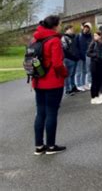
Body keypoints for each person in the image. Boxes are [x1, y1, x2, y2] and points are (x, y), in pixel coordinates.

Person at [32, 15, 68, 155]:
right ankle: (51, 146)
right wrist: (65, 73)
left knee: (40, 113)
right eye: (60, 24)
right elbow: (58, 63)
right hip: (53, 82)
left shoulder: (36, 38)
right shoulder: (54, 40)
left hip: (38, 80)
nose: (60, 26)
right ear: (54, 26)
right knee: (51, 113)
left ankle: (39, 146)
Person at [87, 31, 102, 104]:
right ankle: (93, 97)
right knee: (94, 81)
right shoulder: (93, 43)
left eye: (96, 35)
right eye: (94, 35)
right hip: (94, 63)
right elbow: (88, 53)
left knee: (100, 79)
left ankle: (99, 94)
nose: (95, 37)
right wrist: (96, 55)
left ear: (100, 36)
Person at [61, 25, 80, 96]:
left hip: (75, 58)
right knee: (68, 75)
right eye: (71, 29)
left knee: (73, 74)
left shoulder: (74, 37)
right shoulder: (64, 38)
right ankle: (68, 89)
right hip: (68, 59)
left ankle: (73, 87)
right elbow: (65, 49)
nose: (72, 30)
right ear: (67, 30)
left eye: (72, 29)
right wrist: (72, 56)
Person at [75, 22, 93, 91]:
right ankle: (79, 85)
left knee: (85, 71)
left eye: (87, 28)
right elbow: (76, 46)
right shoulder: (78, 36)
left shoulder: (91, 37)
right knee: (79, 71)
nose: (86, 29)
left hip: (87, 56)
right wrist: (78, 55)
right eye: (85, 27)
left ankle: (84, 84)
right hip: (80, 56)